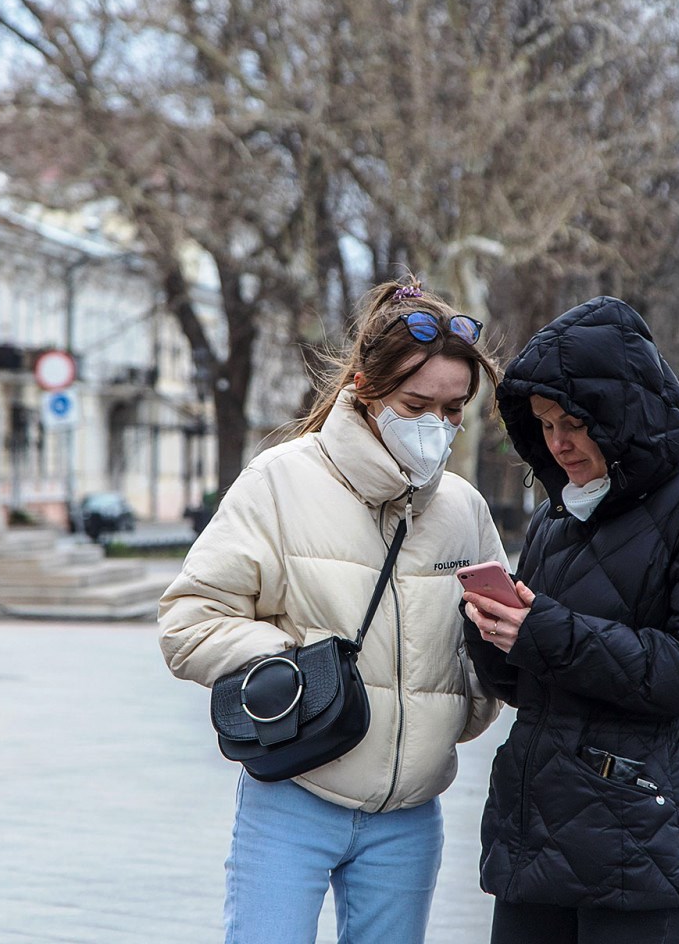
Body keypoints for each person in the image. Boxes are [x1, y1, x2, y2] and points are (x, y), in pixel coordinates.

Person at [159, 279, 507, 944]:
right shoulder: (281, 480)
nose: (435, 425)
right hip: (294, 794)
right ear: (365, 388)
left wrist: (460, 707)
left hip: (411, 815)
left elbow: (485, 652)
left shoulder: (464, 510)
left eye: (453, 409)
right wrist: (300, 672)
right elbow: (187, 623)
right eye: (416, 404)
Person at [461, 296, 679, 944]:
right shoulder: (554, 519)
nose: (558, 443)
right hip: (533, 841)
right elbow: (532, 684)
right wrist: (491, 633)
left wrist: (548, 633)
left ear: (623, 417)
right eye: (543, 424)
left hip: (638, 844)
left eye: (573, 422)